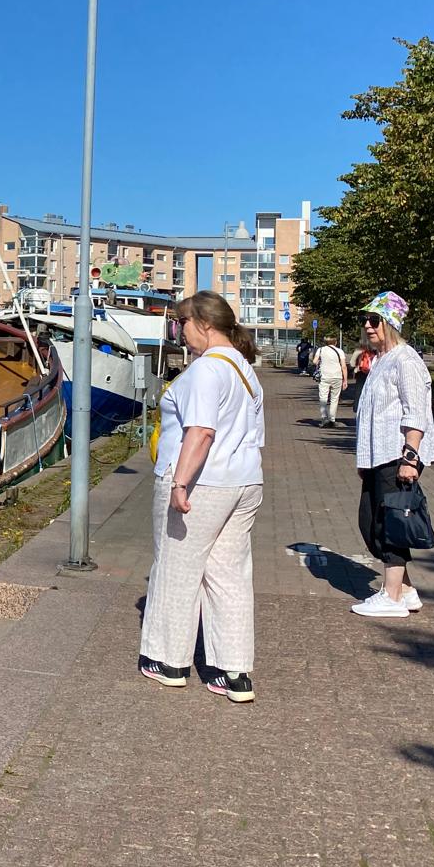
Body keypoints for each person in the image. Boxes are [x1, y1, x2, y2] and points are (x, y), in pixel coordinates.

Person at [139, 290, 266, 703]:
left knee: (177, 568)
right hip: (243, 481)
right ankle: (235, 673)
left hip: (201, 483)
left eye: (183, 322)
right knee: (229, 576)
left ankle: (169, 662)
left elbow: (201, 431)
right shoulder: (244, 369)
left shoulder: (207, 369)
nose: (180, 331)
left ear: (205, 324)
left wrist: (180, 483)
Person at [350, 290, 434, 618]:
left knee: (390, 524)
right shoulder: (381, 359)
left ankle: (391, 596)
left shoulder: (406, 360)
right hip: (378, 456)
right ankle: (406, 591)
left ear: (391, 324)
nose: (368, 326)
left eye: (375, 320)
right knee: (371, 522)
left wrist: (410, 457)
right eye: (365, 320)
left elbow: (416, 411)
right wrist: (364, 460)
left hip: (396, 454)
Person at [312, 334, 347, 427]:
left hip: (324, 376)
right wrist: (345, 380)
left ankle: (324, 419)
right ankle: (332, 419)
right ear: (335, 342)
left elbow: (314, 361)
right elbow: (343, 366)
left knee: (323, 397)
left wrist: (320, 362)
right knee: (334, 398)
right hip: (337, 376)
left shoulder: (320, 350)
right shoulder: (340, 351)